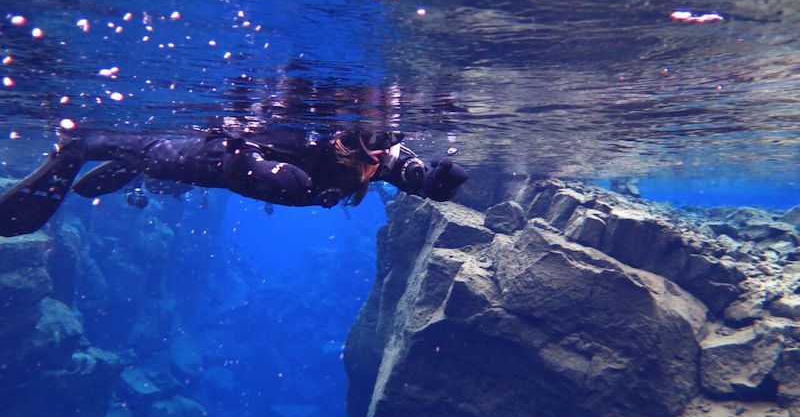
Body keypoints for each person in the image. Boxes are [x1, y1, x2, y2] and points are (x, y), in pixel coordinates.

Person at [0, 129, 468, 237]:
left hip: (202, 160)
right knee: (143, 156)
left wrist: (239, 135)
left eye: (373, 143)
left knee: (117, 145)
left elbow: (240, 168)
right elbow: (405, 172)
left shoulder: (305, 183)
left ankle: (79, 151)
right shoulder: (364, 160)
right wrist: (431, 180)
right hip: (215, 152)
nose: (385, 147)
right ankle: (126, 166)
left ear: (358, 161)